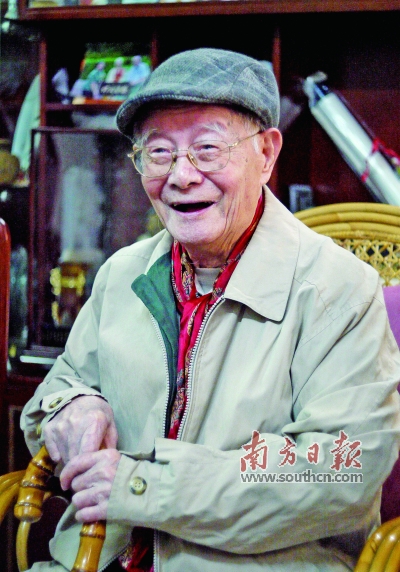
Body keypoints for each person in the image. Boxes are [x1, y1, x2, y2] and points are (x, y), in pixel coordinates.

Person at [22, 48, 400, 572]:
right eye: (158, 152)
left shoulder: (339, 289)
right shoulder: (123, 274)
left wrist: (143, 487)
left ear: (266, 153)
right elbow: (54, 395)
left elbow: (339, 473)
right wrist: (73, 408)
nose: (181, 175)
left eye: (207, 149)